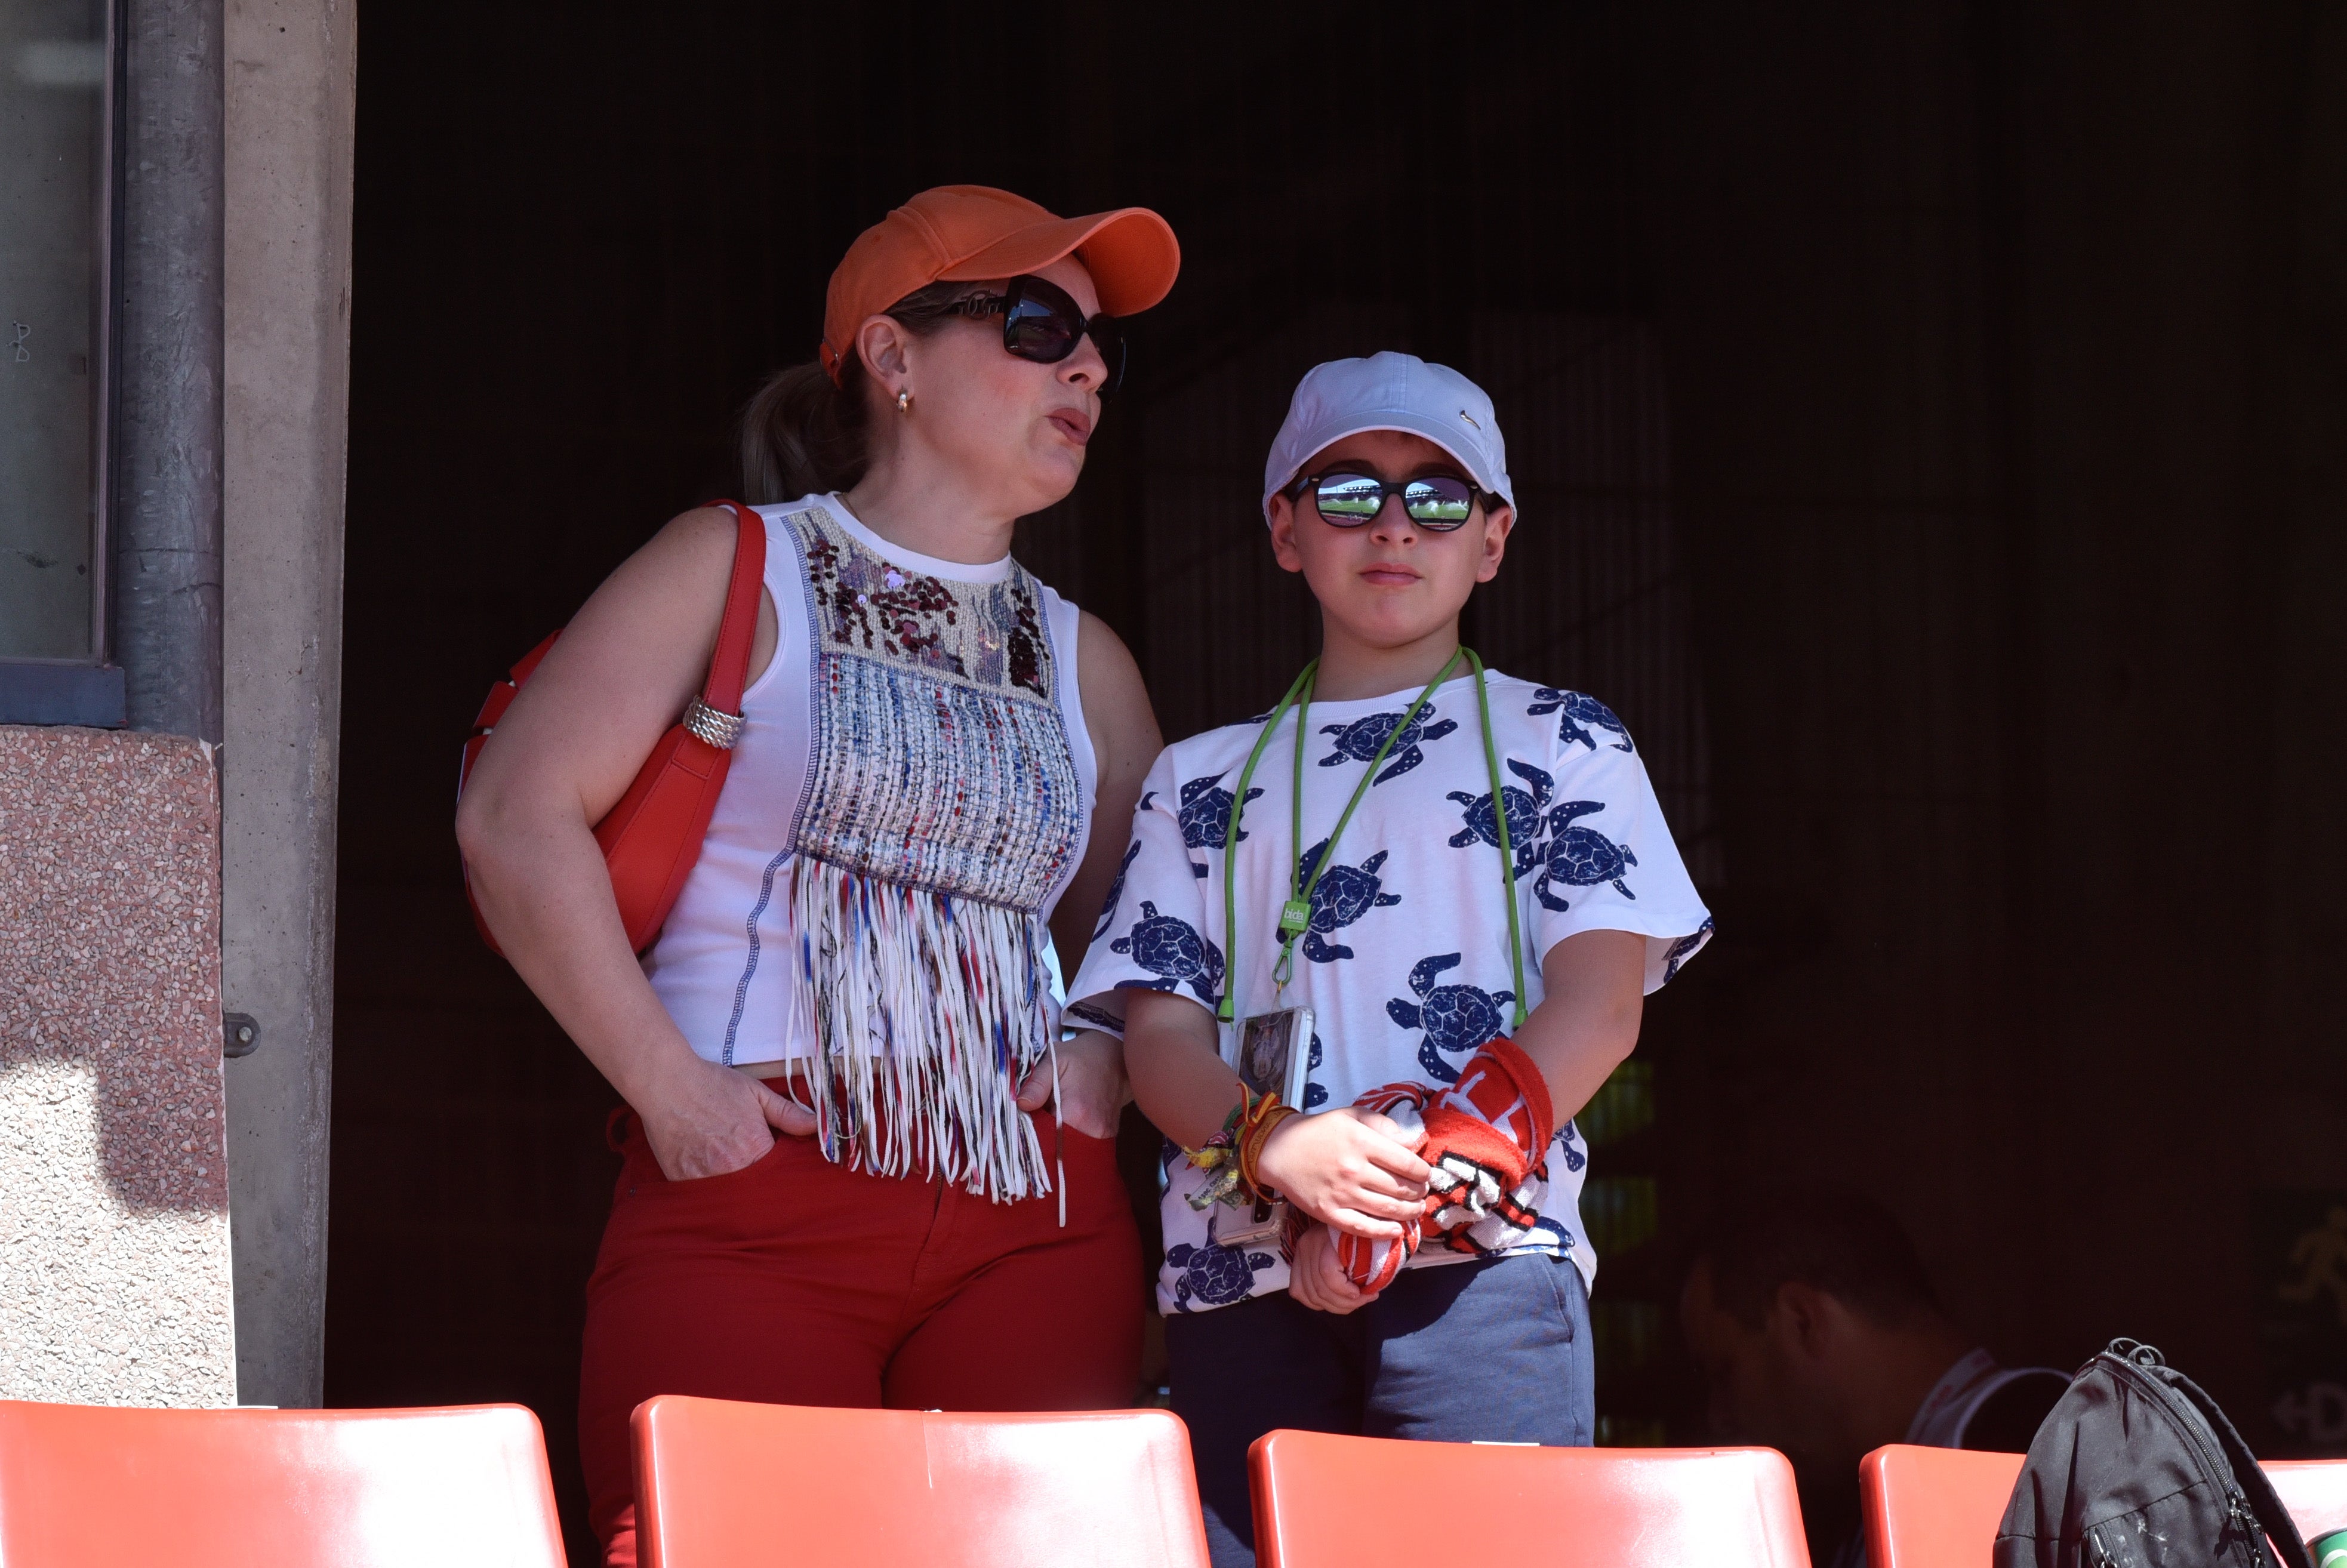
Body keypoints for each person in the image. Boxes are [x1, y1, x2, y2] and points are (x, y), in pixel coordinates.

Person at [455, 184, 1178, 1567]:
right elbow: (512, 816)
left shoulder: (1089, 656)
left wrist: (1103, 1056)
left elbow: (1162, 930)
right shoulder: (732, 563)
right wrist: (670, 1091)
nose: (1084, 367)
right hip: (750, 1201)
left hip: (1034, 1220)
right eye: (1036, 324)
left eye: (1100, 350)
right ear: (890, 360)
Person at [1065, 352, 1715, 1567]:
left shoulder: (1566, 739)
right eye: (1349, 491)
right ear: (1283, 527)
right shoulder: (1196, 776)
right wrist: (1277, 1147)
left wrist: (1408, 1188)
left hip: (1483, 1269)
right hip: (1238, 1279)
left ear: (1494, 538)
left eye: (1439, 494)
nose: (1394, 524)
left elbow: (1601, 1005)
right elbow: (1156, 1039)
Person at [1679, 1184, 2069, 1568]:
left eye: (1724, 1371)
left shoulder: (2037, 1435)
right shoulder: (1860, 1497)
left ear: (1802, 1321)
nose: (1719, 1415)